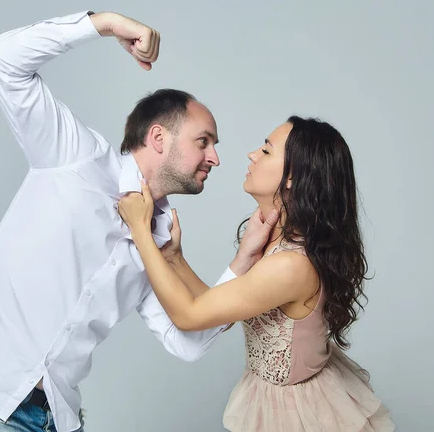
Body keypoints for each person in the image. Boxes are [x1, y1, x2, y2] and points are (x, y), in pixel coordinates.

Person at [0, 9, 277, 432]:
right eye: (203, 142)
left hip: (53, 415)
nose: (216, 157)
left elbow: (187, 341)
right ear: (158, 138)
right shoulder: (75, 155)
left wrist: (241, 262)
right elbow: (2, 58)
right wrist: (108, 24)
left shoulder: (159, 240)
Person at [118, 116, 396, 431]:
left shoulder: (290, 265)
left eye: (266, 150)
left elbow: (189, 316)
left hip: (298, 412)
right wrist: (174, 258)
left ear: (292, 176)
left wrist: (141, 231)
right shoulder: (277, 240)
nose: (252, 154)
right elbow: (219, 310)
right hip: (271, 394)